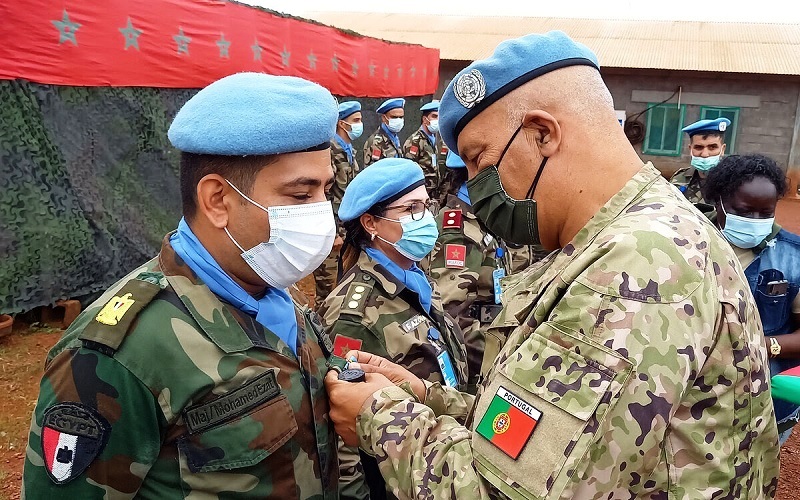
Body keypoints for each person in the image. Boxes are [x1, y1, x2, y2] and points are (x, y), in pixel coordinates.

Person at [324, 31, 779, 499]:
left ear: (542, 135)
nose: (476, 188)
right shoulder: (640, 232)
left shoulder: (633, 269)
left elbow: (498, 489)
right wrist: (422, 397)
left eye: (480, 160)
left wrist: (378, 415)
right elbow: (533, 433)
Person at [22, 73, 342, 498]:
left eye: (327, 189)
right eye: (301, 196)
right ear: (216, 200)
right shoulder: (119, 354)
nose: (323, 212)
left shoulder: (272, 293)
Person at [318, 157, 468, 499]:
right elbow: (342, 433)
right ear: (371, 222)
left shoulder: (414, 276)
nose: (426, 218)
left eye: (426, 205)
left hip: (441, 465)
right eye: (411, 208)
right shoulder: (353, 314)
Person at [704, 153, 800, 443]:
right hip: (698, 397)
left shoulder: (793, 258)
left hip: (764, 401)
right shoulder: (691, 242)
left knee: (757, 473)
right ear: (719, 202)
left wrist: (761, 345)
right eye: (745, 211)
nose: (756, 221)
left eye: (766, 212)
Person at [426, 150, 510, 394]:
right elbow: (452, 315)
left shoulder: (481, 218)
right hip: (478, 368)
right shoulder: (458, 232)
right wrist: (495, 360)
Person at [313, 100, 362, 309]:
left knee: (342, 285)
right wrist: (333, 232)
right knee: (328, 287)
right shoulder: (330, 150)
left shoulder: (349, 149)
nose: (361, 124)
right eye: (356, 120)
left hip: (346, 228)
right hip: (331, 231)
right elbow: (324, 194)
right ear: (342, 124)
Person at [669, 117, 730, 211]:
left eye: (712, 147)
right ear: (690, 149)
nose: (705, 154)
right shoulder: (679, 179)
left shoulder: (733, 181)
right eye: (699, 147)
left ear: (722, 149)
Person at [404, 100, 443, 200]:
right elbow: (409, 170)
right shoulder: (415, 141)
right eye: (434, 116)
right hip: (421, 193)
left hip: (433, 193)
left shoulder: (434, 139)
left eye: (439, 116)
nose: (438, 120)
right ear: (425, 119)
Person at [363, 98, 404, 166]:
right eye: (394, 117)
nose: (398, 120)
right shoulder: (376, 142)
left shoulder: (394, 137)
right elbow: (373, 172)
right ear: (384, 118)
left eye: (401, 117)